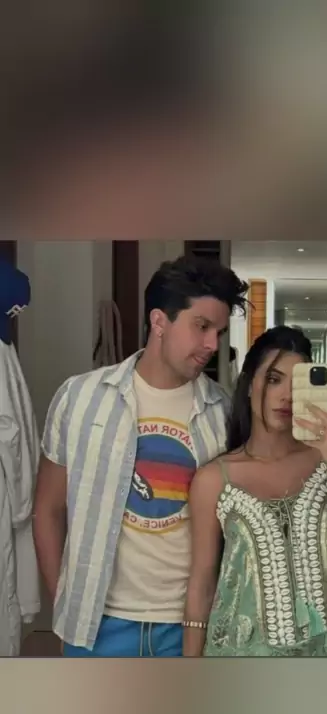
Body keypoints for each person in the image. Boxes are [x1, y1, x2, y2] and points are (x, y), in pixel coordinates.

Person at [33, 255, 249, 656]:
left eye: (219, 332)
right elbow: (47, 508)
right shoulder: (80, 397)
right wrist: (65, 602)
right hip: (97, 626)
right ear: (159, 321)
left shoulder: (224, 412)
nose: (212, 345)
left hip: (188, 626)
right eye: (201, 326)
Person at [183, 325, 327, 657]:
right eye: (273, 379)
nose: (287, 396)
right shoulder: (214, 479)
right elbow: (202, 585)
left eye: (298, 383)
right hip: (239, 662)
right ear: (249, 384)